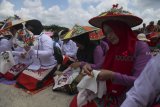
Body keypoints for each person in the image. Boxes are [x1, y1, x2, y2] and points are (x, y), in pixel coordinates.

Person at [70, 4, 151, 107]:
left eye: (111, 31)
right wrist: (87, 66)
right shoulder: (112, 48)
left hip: (131, 98)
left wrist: (112, 75)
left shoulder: (140, 47)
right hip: (109, 93)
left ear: (121, 28)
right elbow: (100, 66)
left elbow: (141, 81)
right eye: (106, 33)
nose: (108, 36)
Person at [16, 19, 57, 91]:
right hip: (35, 65)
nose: (27, 30)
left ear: (36, 28)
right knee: (20, 80)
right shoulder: (30, 38)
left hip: (48, 65)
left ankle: (50, 75)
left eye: (29, 28)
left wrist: (33, 51)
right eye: (27, 28)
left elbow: (49, 53)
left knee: (33, 84)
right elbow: (29, 53)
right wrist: (25, 53)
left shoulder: (45, 38)